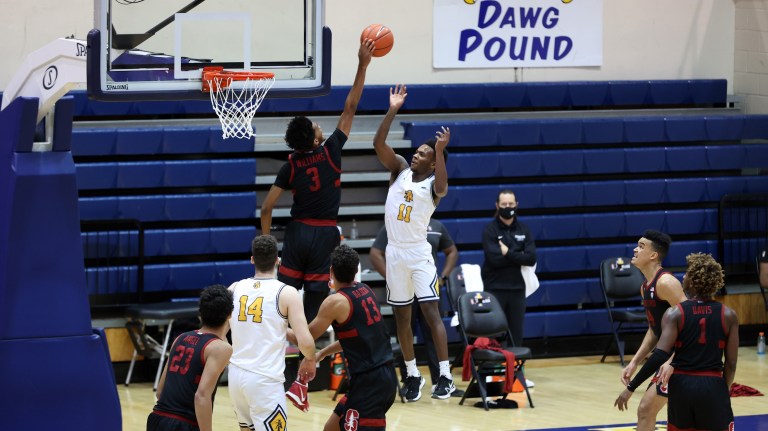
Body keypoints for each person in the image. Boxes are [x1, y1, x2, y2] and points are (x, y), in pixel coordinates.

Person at [259, 39, 375, 323]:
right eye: (315, 126)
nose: (320, 125)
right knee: (314, 306)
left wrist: (267, 243)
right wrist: (362, 65)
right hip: (324, 235)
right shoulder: (331, 151)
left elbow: (266, 208)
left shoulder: (291, 164)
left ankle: (277, 358)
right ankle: (308, 361)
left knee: (283, 301)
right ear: (314, 139)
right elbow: (350, 107)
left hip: (297, 233)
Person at [372, 83, 455, 401]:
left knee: (432, 313)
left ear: (432, 162)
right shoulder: (400, 170)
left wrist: (439, 150)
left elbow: (445, 187)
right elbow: (378, 143)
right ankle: (411, 373)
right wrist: (392, 109)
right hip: (395, 253)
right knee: (402, 318)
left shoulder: (435, 184)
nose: (415, 155)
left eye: (422, 153)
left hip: (419, 254)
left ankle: (445, 376)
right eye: (417, 151)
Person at [615, 253, 738, 431]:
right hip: (712, 384)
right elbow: (731, 364)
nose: (683, 277)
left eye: (687, 273)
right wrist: (723, 390)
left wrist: (632, 386)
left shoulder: (675, 313)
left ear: (694, 281)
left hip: (682, 385)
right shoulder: (728, 315)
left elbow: (660, 355)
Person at [300, 244, 398, 431]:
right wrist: (321, 354)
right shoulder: (365, 290)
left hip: (370, 384)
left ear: (331, 271)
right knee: (331, 428)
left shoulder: (335, 301)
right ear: (355, 271)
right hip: (382, 377)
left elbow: (305, 337)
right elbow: (354, 340)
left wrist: (275, 328)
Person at [227, 235, 317, 431]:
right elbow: (306, 342)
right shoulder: (286, 292)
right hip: (264, 380)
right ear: (278, 260)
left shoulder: (234, 288)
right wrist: (310, 358)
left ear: (252, 259)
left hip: (235, 376)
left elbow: (221, 330)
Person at [369, 219, 458, 389]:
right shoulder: (396, 223)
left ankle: (441, 380)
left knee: (433, 332)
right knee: (404, 330)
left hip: (427, 286)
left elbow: (452, 251)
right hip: (404, 288)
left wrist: (444, 277)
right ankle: (409, 380)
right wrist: (393, 278)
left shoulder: (437, 226)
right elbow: (375, 253)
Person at [614, 230, 687, 431]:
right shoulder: (645, 287)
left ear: (653, 255)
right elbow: (654, 329)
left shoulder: (666, 283)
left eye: (641, 246)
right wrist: (635, 362)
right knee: (648, 410)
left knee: (647, 409)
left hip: (682, 358)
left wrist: (673, 361)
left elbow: (692, 322)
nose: (635, 249)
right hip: (668, 357)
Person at [147, 285, 234, 431]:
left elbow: (160, 392)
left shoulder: (181, 338)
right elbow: (201, 396)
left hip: (157, 419)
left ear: (200, 313)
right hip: (184, 424)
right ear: (230, 314)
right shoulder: (221, 348)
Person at [480, 189, 536, 349]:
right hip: (495, 288)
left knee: (516, 333)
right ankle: (495, 369)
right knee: (495, 332)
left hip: (518, 289)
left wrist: (508, 252)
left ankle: (515, 370)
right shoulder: (490, 230)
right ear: (497, 206)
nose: (508, 207)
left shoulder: (524, 229)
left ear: (517, 205)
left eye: (511, 204)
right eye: (504, 204)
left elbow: (531, 259)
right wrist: (519, 255)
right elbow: (495, 259)